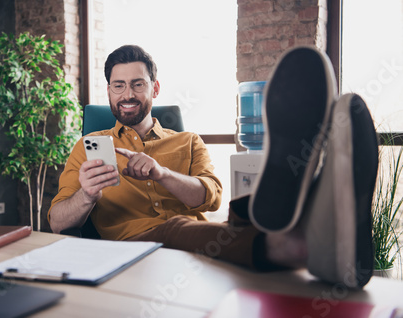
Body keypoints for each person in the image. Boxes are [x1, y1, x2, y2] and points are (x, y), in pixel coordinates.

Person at [49, 45, 378, 289]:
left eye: (137, 84)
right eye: (118, 85)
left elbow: (210, 199)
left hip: (197, 239)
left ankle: (308, 223)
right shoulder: (87, 147)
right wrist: (87, 195)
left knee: (240, 213)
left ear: (155, 88)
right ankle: (301, 243)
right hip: (130, 250)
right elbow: (57, 221)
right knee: (175, 225)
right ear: (108, 91)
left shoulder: (188, 141)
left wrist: (161, 173)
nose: (127, 94)